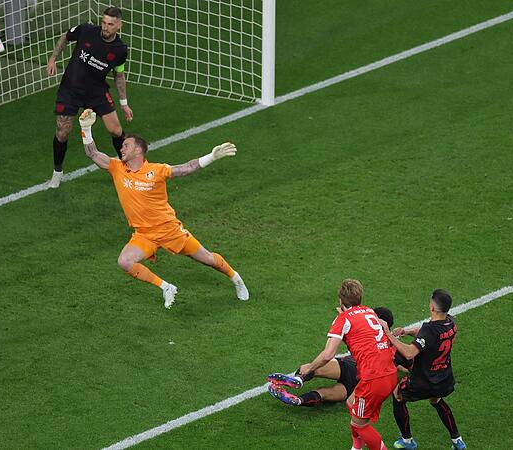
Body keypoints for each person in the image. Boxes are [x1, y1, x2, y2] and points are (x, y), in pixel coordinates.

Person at [77, 108, 249, 308]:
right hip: (143, 234)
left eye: (126, 145)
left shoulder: (156, 170)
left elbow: (186, 168)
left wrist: (211, 157)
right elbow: (92, 153)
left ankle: (235, 278)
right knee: (125, 261)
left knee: (207, 259)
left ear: (138, 150)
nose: (121, 149)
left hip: (169, 229)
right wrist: (85, 129)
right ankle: (166, 287)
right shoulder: (117, 168)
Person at [293, 279, 398, 450]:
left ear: (341, 301)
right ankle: (356, 448)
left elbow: (328, 354)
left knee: (360, 425)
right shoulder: (370, 311)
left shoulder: (343, 319)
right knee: (351, 402)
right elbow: (376, 326)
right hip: (389, 374)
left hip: (373, 379)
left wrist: (310, 369)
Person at [46, 6, 133, 189]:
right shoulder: (86, 30)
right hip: (70, 89)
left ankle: (126, 169)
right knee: (62, 131)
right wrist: (53, 58)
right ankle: (57, 173)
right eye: (103, 22)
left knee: (116, 130)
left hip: (96, 92)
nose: (105, 27)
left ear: (119, 26)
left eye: (110, 24)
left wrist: (124, 103)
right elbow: (65, 37)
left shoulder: (120, 50)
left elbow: (119, 75)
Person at [267, 307, 405, 407]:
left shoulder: (369, 334)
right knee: (324, 394)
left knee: (311, 368)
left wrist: (345, 314)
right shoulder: (395, 348)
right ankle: (299, 401)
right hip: (361, 385)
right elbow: (406, 363)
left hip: (350, 366)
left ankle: (299, 378)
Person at [382, 289, 467, 450]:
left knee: (397, 395)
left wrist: (389, 335)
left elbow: (409, 353)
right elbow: (427, 335)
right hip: (444, 377)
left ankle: (407, 441)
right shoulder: (451, 323)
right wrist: (406, 331)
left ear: (432, 308)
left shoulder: (429, 330)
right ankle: (458, 441)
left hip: (424, 380)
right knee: (436, 400)